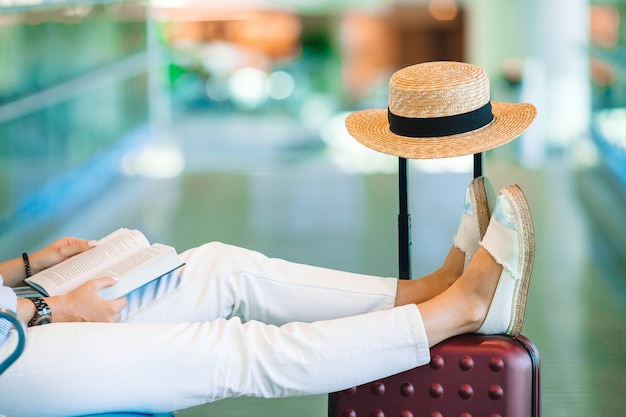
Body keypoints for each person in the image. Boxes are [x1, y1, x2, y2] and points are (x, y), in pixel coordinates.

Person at [0, 61, 538, 416]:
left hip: (20, 315)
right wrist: (51, 313)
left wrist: (26, 266)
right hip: (12, 357)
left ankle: (429, 289)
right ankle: (460, 308)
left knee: (218, 266)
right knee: (233, 351)